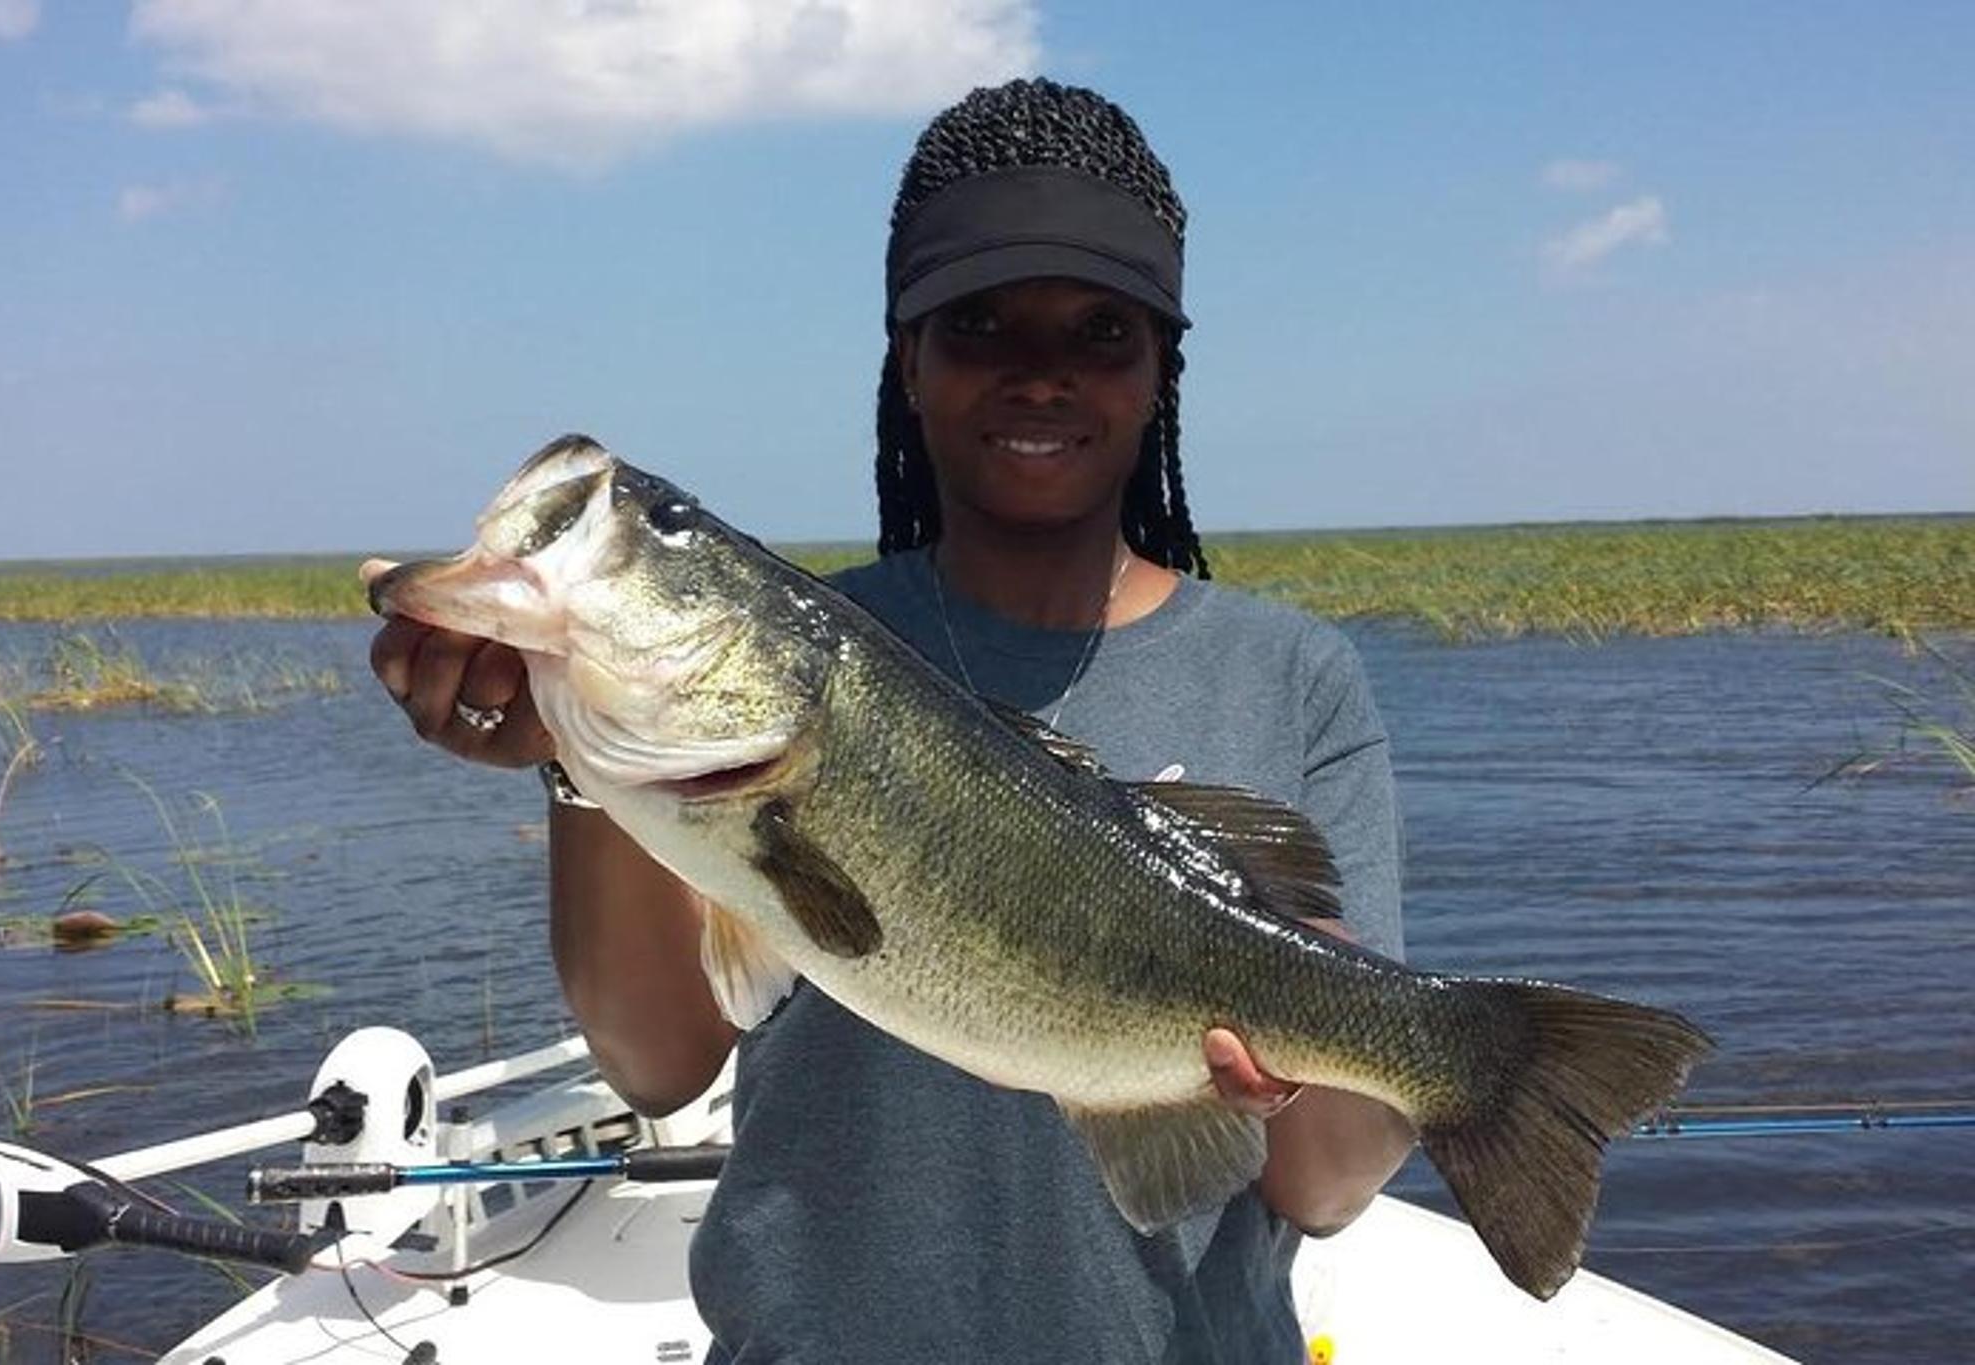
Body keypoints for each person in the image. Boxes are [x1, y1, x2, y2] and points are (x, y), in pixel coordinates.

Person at [369, 77, 1413, 1364]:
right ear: (906, 363)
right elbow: (658, 1067)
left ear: (1158, 377)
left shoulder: (1292, 675)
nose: (1040, 377)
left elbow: (1326, 1189)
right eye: (977, 326)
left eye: (1099, 332)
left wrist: (1294, 1039)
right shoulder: (791, 662)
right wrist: (577, 765)